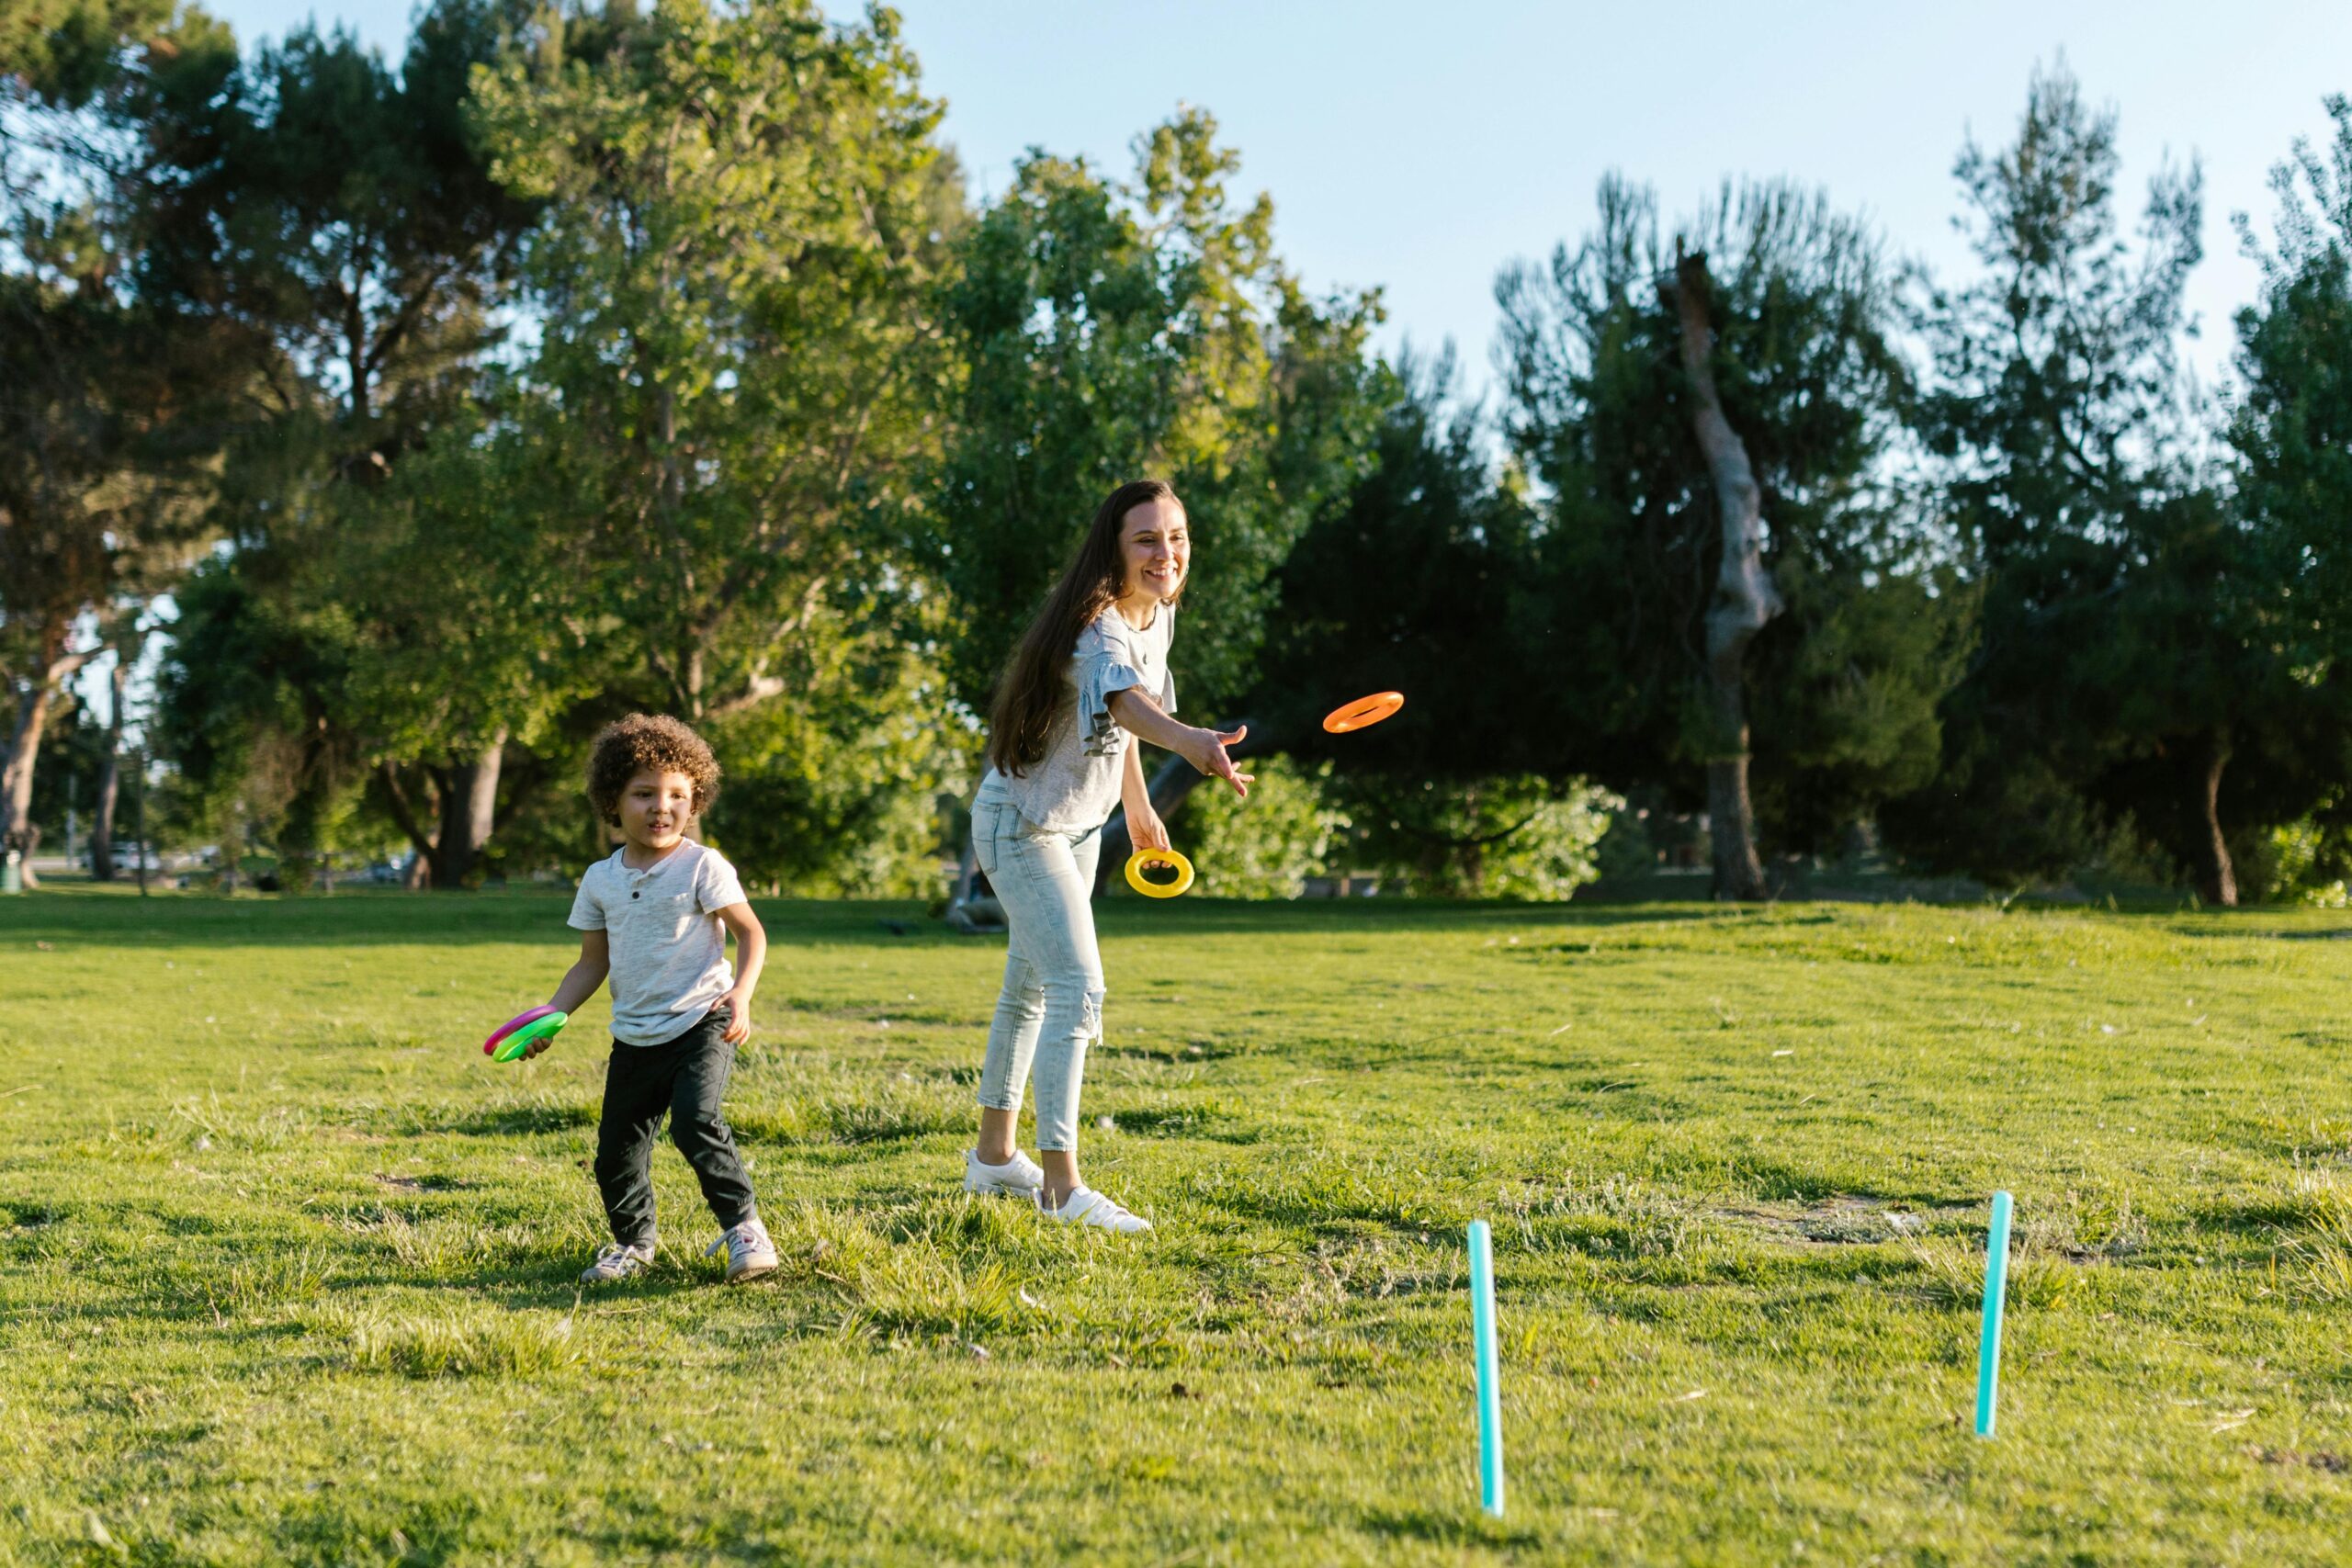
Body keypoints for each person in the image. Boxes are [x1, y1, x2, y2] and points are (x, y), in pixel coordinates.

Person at [963, 479, 1252, 1234]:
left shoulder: (1157, 615)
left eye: (1177, 536)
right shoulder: (1095, 628)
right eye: (1147, 539)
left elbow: (1113, 726)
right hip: (1022, 824)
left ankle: (994, 1159)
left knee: (1030, 988)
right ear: (1114, 548)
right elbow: (1124, 702)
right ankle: (1061, 1188)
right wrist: (1189, 740)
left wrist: (1137, 800)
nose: (1168, 553)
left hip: (1078, 825)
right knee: (1078, 989)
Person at [532, 714, 778, 1284]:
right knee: (616, 1151)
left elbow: (752, 934)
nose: (661, 807)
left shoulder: (702, 866)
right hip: (635, 1034)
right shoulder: (600, 879)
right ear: (612, 801)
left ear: (695, 803)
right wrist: (551, 1016)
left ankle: (745, 1231)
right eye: (643, 793)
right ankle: (633, 1245)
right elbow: (593, 962)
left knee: (696, 1121)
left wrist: (740, 995)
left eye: (677, 795)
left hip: (703, 1019)